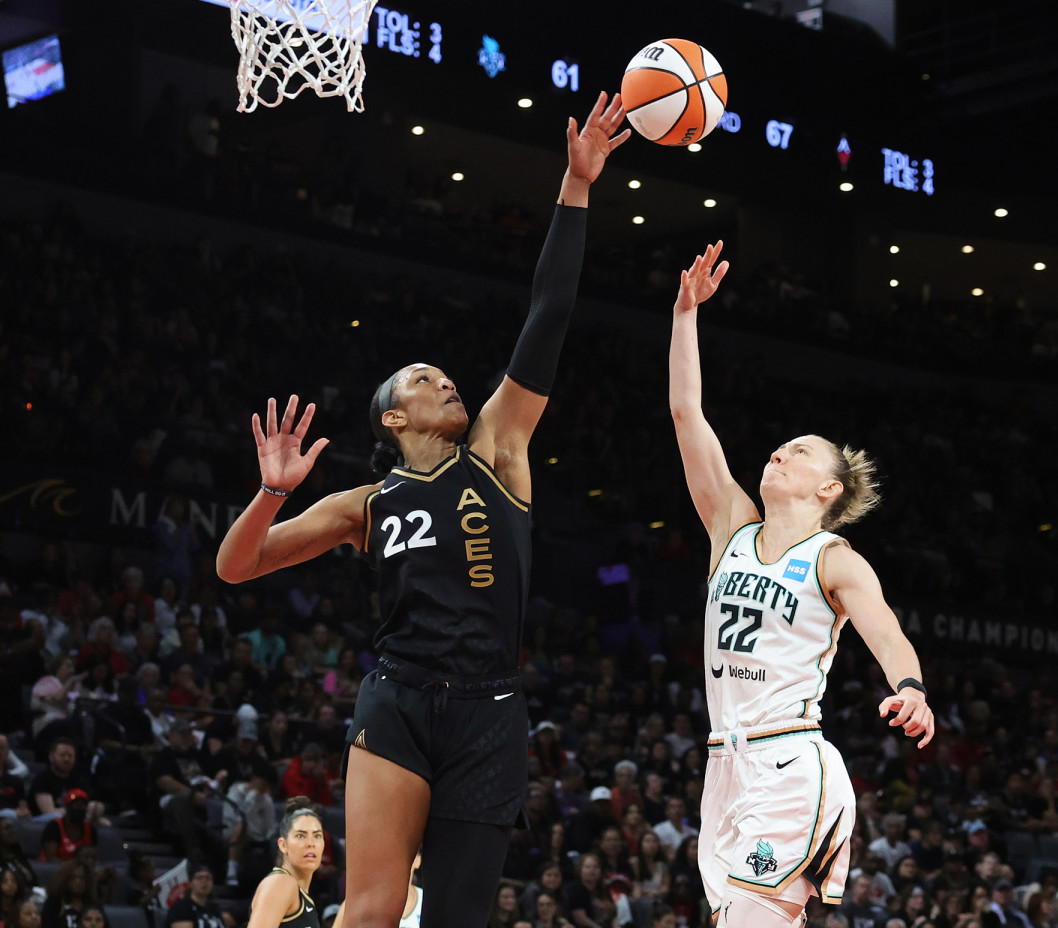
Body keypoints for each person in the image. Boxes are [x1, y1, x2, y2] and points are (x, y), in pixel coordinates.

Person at [214, 91, 629, 928]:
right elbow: (235, 565)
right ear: (393, 418)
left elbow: (547, 316)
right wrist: (270, 493)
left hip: (490, 707)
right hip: (397, 698)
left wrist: (576, 187)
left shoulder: (499, 449)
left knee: (453, 919)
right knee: (368, 909)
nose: (444, 380)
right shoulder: (364, 502)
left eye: (445, 375)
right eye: (420, 379)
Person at [666, 241, 935, 928]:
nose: (781, 452)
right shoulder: (731, 526)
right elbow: (687, 417)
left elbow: (887, 631)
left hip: (789, 762)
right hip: (725, 764)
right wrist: (685, 315)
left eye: (802, 452)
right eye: (780, 446)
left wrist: (910, 691)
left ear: (828, 488)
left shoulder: (834, 559)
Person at [246, 799, 323, 928]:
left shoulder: (303, 896)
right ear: (283, 845)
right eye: (300, 836)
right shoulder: (282, 882)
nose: (311, 843)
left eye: (317, 836)